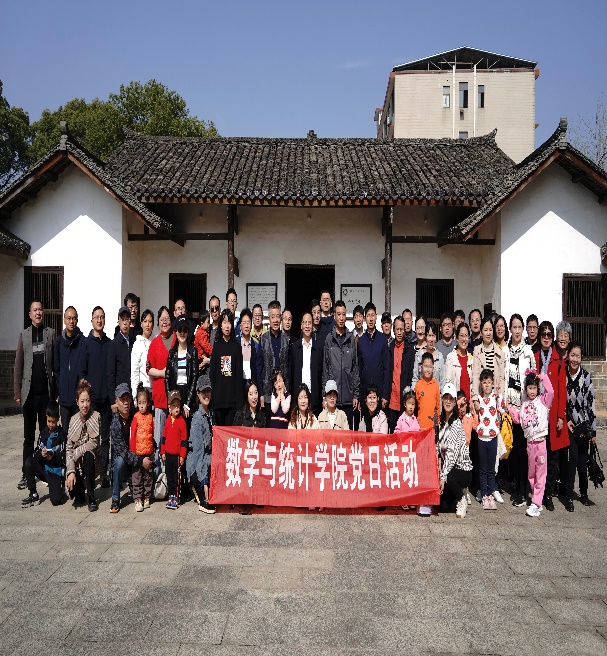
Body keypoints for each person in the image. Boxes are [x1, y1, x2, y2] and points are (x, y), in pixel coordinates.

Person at [14, 299, 55, 490]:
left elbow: (54, 365)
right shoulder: (24, 335)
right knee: (29, 437)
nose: (38, 312)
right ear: (30, 314)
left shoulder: (50, 334)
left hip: (46, 394)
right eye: (35, 310)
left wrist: (55, 393)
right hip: (29, 396)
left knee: (46, 435)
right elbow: (18, 366)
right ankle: (26, 473)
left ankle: (46, 471)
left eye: (40, 309)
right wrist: (17, 392)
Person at [509, 370, 554, 517]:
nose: (532, 391)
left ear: (538, 388)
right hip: (530, 443)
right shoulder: (524, 405)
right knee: (531, 474)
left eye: (535, 388)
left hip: (540, 442)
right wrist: (507, 407)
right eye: (530, 388)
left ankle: (536, 502)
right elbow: (517, 418)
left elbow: (551, 391)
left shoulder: (543, 401)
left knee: (541, 473)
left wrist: (543, 377)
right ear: (526, 389)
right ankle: (536, 498)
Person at [534, 320, 568, 511]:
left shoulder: (558, 360)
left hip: (553, 414)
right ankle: (537, 491)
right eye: (543, 334)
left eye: (549, 334)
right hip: (538, 413)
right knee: (539, 456)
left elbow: (561, 390)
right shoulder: (535, 356)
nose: (546, 337)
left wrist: (561, 416)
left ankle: (548, 493)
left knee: (552, 456)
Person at [503, 313, 535, 507]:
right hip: (509, 408)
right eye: (513, 327)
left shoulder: (528, 352)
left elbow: (533, 381)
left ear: (523, 329)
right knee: (512, 448)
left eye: (519, 327)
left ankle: (523, 489)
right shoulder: (505, 351)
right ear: (510, 329)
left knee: (524, 450)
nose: (517, 331)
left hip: (524, 408)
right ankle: (515, 486)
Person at [78, 306, 112, 488]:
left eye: (102, 317)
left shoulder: (109, 343)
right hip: (92, 402)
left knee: (105, 439)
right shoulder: (86, 343)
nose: (99, 320)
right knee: (91, 439)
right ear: (91, 320)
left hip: (106, 401)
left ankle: (104, 473)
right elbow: (82, 373)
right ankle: (90, 474)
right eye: (96, 317)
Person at [565, 341, 597, 509]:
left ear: (581, 358)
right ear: (568, 356)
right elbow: (560, 401)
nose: (575, 359)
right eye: (572, 355)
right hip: (570, 426)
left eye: (578, 356)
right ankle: (569, 496)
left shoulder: (586, 377)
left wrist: (593, 431)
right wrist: (566, 418)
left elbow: (591, 405)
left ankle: (584, 494)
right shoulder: (563, 375)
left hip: (584, 427)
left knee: (583, 463)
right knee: (573, 460)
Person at [437, 383, 473, 519]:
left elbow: (451, 457)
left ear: (454, 402)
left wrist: (442, 477)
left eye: (451, 399)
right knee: (443, 506)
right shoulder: (441, 423)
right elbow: (438, 448)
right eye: (445, 398)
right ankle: (457, 493)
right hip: (449, 469)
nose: (448, 401)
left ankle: (462, 498)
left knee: (450, 478)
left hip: (462, 470)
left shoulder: (456, 424)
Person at [21, 401, 66, 507]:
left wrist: (53, 457)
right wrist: (41, 454)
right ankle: (33, 494)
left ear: (58, 419)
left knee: (56, 501)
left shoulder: (62, 435)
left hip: (56, 473)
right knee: (28, 462)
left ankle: (60, 487)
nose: (51, 425)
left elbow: (64, 458)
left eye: (53, 422)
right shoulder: (43, 433)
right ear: (46, 417)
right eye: (49, 421)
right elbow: (36, 453)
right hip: (44, 470)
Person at [322, 301, 359, 428]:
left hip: (348, 398)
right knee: (333, 436)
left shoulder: (351, 339)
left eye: (343, 314)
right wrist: (324, 396)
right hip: (333, 398)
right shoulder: (329, 339)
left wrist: (356, 394)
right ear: (334, 316)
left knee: (347, 435)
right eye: (339, 314)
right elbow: (326, 370)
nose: (341, 317)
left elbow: (355, 369)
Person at [65, 380, 100, 512]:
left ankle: (91, 496)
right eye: (82, 401)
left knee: (88, 456)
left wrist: (78, 452)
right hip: (75, 461)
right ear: (77, 402)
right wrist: (71, 471)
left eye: (87, 401)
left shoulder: (96, 416)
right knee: (73, 492)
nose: (85, 405)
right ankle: (79, 492)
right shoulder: (73, 419)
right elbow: (69, 448)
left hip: (91, 459)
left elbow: (94, 443)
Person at [233, 379, 266, 515]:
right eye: (251, 394)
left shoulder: (262, 416)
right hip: (244, 456)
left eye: (256, 393)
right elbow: (234, 437)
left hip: (258, 456)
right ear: (246, 396)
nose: (254, 397)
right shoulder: (240, 415)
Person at [147, 306, 176, 457]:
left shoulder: (177, 339)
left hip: (176, 397)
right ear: (158, 322)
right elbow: (149, 369)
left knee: (175, 437)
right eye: (162, 319)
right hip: (160, 398)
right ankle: (159, 468)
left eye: (167, 319)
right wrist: (163, 373)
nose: (165, 322)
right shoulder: (154, 343)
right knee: (160, 439)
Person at [476, 369, 506, 510]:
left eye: (489, 382)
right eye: (484, 382)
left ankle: (491, 493)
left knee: (491, 469)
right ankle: (484, 494)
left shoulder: (495, 397)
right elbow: (475, 411)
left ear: (492, 383)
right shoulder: (478, 399)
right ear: (481, 384)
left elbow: (503, 410)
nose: (487, 385)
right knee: (482, 469)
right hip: (481, 437)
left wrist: (500, 396)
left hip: (493, 437)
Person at [256, 300, 291, 423]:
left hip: (283, 394)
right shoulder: (263, 339)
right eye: (272, 316)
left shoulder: (286, 339)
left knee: (282, 427)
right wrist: (260, 393)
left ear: (281, 318)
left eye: (277, 316)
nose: (275, 320)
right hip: (267, 393)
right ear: (269, 319)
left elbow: (289, 366)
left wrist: (288, 391)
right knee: (268, 427)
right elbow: (259, 368)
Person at [187, 374, 217, 513]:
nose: (206, 394)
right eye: (203, 391)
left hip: (209, 459)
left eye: (208, 391)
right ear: (198, 394)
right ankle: (199, 488)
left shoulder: (212, 414)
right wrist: (204, 481)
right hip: (197, 464)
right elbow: (198, 454)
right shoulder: (197, 419)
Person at [209, 309, 243, 426]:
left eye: (229, 322)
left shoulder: (236, 346)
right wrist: (212, 397)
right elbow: (212, 374)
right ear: (220, 325)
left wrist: (239, 401)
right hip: (218, 399)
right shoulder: (217, 346)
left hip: (232, 401)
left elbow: (239, 374)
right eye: (224, 322)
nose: (227, 326)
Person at [108, 383, 137, 513]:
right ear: (116, 402)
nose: (125, 403)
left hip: (137, 452)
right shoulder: (115, 424)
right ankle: (115, 499)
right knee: (119, 463)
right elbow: (124, 453)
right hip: (125, 458)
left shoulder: (136, 415)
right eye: (122, 399)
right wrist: (141, 461)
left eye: (127, 399)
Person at [54, 306, 84, 431]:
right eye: (69, 318)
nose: (71, 321)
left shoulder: (82, 341)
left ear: (77, 320)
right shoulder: (58, 342)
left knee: (79, 433)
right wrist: (61, 387)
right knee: (66, 433)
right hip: (64, 400)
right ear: (64, 320)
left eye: (74, 318)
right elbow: (56, 369)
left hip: (78, 399)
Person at [165, 316, 198, 421]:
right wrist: (171, 400)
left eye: (185, 330)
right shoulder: (172, 353)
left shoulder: (193, 352)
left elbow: (194, 377)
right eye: (180, 330)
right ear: (176, 332)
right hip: (175, 392)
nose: (182, 333)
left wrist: (188, 403)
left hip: (188, 393)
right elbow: (167, 378)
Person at [357, 302, 390, 409]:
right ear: (364, 318)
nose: (370, 319)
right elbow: (358, 369)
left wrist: (385, 395)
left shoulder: (382, 339)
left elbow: (387, 368)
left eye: (372, 315)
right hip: (365, 393)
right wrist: (359, 396)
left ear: (376, 317)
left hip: (379, 393)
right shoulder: (361, 341)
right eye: (368, 316)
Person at [291, 311, 323, 416]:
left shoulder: (318, 348)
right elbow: (291, 374)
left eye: (309, 323)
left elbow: (321, 374)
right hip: (298, 397)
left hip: (314, 398)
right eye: (305, 323)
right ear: (301, 325)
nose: (307, 326)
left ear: (313, 325)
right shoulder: (295, 348)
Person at [387, 315, 415, 432]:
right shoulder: (389, 348)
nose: (399, 332)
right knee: (393, 434)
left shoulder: (410, 349)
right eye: (397, 329)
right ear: (393, 330)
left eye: (401, 329)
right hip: (391, 400)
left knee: (405, 435)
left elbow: (411, 375)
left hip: (404, 400)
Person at [129, 386, 155, 512]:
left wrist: (153, 448)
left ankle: (147, 496)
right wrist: (133, 452)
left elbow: (152, 433)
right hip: (138, 453)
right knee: (137, 477)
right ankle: (138, 498)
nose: (142, 406)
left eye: (144, 403)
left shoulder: (150, 417)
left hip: (148, 452)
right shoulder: (135, 417)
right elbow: (132, 435)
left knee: (148, 477)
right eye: (139, 403)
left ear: (148, 403)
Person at [161, 390, 188, 509]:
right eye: (174, 405)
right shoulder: (167, 421)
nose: (176, 408)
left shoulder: (182, 422)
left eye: (178, 405)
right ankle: (170, 495)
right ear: (169, 408)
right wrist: (162, 451)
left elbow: (184, 440)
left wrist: (182, 455)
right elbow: (163, 438)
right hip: (168, 455)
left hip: (177, 456)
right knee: (169, 476)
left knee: (177, 478)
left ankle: (176, 497)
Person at [471, 317, 505, 401]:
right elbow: (475, 376)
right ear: (481, 332)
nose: (488, 333)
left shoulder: (499, 352)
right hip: (481, 397)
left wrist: (501, 396)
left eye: (490, 330)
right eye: (485, 330)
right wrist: (475, 398)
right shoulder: (477, 351)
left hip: (495, 397)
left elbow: (502, 378)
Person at [106, 306, 133, 405]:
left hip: (132, 394)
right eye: (123, 319)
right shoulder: (114, 344)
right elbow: (110, 374)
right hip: (120, 396)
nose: (125, 323)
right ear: (119, 322)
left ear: (130, 322)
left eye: (127, 319)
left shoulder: (134, 342)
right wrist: (113, 400)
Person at [412, 321, 445, 389]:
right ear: (425, 337)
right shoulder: (419, 355)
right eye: (429, 335)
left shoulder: (439, 356)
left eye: (433, 336)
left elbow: (442, 381)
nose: (431, 339)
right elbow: (415, 378)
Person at [445, 322, 473, 399]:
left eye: (466, 336)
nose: (464, 339)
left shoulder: (471, 358)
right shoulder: (450, 357)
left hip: (469, 402)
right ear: (457, 338)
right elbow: (448, 383)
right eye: (461, 336)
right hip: (456, 401)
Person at [130, 309, 154, 399]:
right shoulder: (137, 344)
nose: (147, 325)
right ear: (141, 324)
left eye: (150, 322)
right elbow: (135, 372)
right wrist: (135, 396)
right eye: (145, 321)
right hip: (142, 391)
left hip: (155, 389)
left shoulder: (156, 341)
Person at [415, 352, 440, 431]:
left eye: (430, 367)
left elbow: (438, 407)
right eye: (426, 366)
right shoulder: (418, 385)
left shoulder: (435, 385)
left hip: (432, 427)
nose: (428, 370)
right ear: (421, 367)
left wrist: (438, 423)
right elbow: (415, 406)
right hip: (420, 426)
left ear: (433, 367)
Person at [238, 308, 258, 384]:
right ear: (240, 326)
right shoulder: (236, 344)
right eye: (244, 323)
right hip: (239, 384)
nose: (246, 326)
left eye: (248, 323)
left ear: (251, 325)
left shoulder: (256, 345)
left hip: (252, 384)